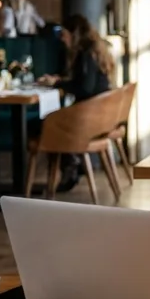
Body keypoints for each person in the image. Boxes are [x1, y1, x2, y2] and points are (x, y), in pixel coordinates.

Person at [36, 13, 114, 189]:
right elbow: (85, 84)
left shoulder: (86, 55)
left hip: (86, 121)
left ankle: (69, 165)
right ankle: (70, 164)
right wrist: (61, 80)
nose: (62, 40)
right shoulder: (95, 51)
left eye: (64, 34)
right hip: (99, 118)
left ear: (74, 34)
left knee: (44, 124)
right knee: (50, 121)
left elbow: (84, 88)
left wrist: (57, 82)